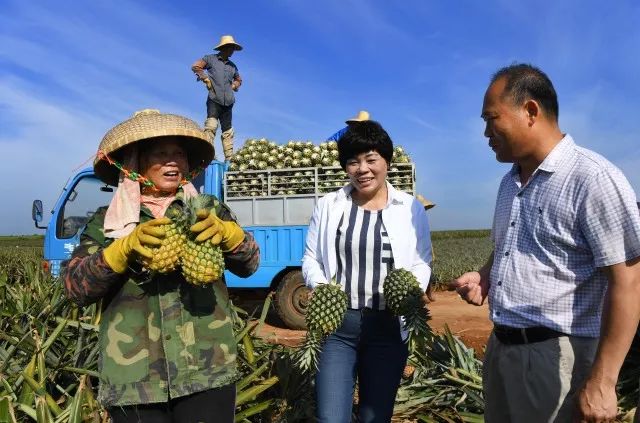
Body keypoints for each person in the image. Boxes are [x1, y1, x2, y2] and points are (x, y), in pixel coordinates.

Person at [451, 63, 640, 422]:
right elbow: (512, 244)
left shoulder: (592, 179)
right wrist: (486, 276)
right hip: (501, 350)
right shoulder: (509, 183)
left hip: (557, 356)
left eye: (492, 118)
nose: (486, 132)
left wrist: (603, 381)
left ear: (531, 111)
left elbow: (629, 279)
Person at [61, 109, 260, 423]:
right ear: (136, 161)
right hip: (134, 379)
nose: (172, 162)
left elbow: (250, 265)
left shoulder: (209, 210)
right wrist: (120, 250)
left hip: (206, 371)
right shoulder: (106, 223)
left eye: (178, 154)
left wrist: (232, 236)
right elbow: (74, 288)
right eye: (161, 153)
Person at [302, 120, 432, 422]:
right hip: (338, 327)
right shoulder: (328, 205)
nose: (362, 169)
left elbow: (421, 261)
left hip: (387, 327)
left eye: (371, 159)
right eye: (352, 161)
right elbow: (311, 258)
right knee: (330, 416)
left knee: (377, 416)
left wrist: (411, 289)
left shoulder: (410, 208)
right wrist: (321, 288)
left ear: (386, 161)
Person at [191, 35, 243, 161]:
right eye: (231, 48)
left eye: (233, 48)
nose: (232, 51)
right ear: (225, 47)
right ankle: (208, 155)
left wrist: (235, 85)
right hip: (214, 98)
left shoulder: (232, 66)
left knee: (228, 131)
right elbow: (196, 66)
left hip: (228, 101)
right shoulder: (210, 59)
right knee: (211, 126)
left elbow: (239, 79)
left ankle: (229, 159)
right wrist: (205, 78)